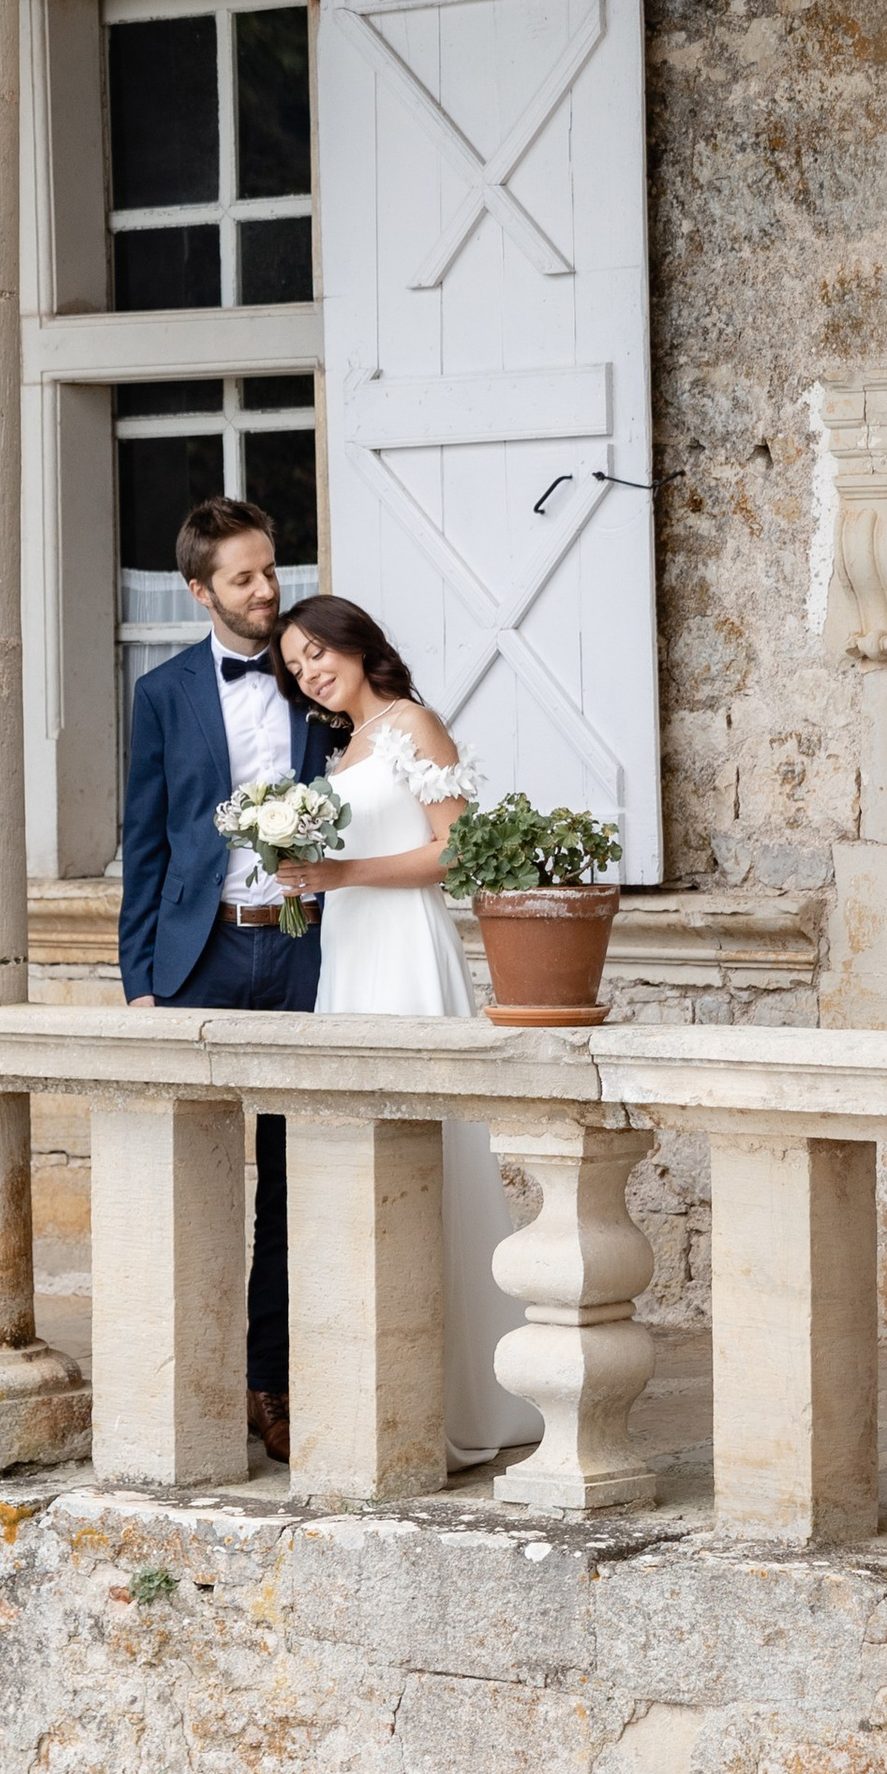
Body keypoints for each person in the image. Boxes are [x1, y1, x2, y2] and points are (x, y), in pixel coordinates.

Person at [269, 592, 532, 1470]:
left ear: (355, 643)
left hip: (407, 953)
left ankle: (464, 1394)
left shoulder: (414, 725)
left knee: (431, 1149)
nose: (308, 669)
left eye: (316, 651)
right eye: (294, 662)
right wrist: (308, 880)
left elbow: (454, 851)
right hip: (348, 954)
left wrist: (342, 872)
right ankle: (385, 1379)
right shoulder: (336, 750)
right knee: (356, 1158)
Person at [117, 495, 339, 1460]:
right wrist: (139, 980)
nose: (266, 590)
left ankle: (273, 1383)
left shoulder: (317, 682)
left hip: (302, 953)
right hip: (197, 957)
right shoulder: (163, 695)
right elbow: (147, 844)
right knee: (184, 1185)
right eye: (243, 578)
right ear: (200, 590)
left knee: (295, 1183)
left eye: (270, 569)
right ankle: (186, 1386)